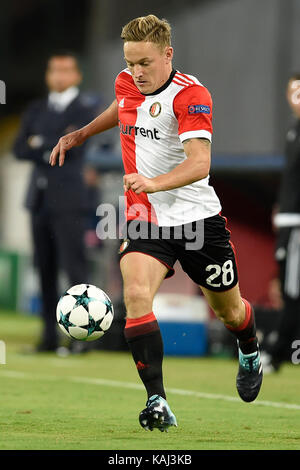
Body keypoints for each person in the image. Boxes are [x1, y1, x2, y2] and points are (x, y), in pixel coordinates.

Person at [49, 15, 263, 431]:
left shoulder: (192, 95)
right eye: (130, 63)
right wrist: (82, 134)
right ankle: (157, 400)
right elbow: (123, 108)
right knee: (135, 294)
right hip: (144, 217)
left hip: (197, 221)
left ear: (167, 54)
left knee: (229, 310)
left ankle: (250, 347)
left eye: (144, 63)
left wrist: (151, 181)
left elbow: (200, 164)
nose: (136, 72)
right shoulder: (127, 82)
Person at [13, 52, 102, 352]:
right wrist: (51, 142)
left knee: (74, 269)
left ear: (77, 75)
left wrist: (38, 142)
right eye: (54, 70)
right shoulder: (37, 108)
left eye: (65, 71)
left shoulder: (86, 107)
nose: (59, 76)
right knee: (45, 270)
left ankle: (82, 338)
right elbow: (18, 148)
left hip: (69, 200)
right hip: (39, 200)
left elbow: (74, 147)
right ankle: (49, 337)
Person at [263, 74, 300, 372]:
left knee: (292, 292)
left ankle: (275, 354)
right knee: (288, 289)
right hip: (289, 220)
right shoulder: (294, 130)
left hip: (297, 225)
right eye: (292, 91)